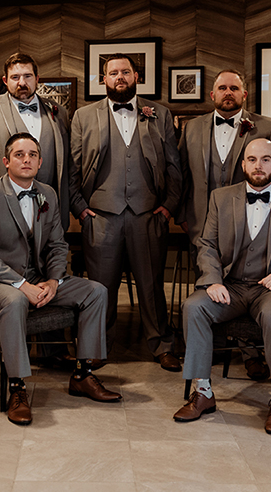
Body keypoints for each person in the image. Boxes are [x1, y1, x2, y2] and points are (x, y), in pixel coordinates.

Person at [0, 133, 120, 425]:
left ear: (39, 162)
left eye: (32, 155)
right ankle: (17, 387)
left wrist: (53, 281)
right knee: (14, 302)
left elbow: (58, 245)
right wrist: (21, 285)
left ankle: (82, 375)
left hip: (39, 278)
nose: (26, 160)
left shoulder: (47, 193)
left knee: (96, 291)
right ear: (6, 161)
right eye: (19, 155)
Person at [172, 139, 271, 434]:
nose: (258, 166)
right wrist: (212, 279)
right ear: (243, 164)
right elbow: (206, 244)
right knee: (193, 306)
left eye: (266, 160)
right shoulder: (221, 198)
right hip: (231, 286)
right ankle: (203, 393)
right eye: (252, 159)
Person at [70, 53, 183, 371]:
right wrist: (80, 208)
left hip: (148, 215)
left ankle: (162, 345)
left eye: (126, 72)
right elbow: (72, 169)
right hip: (100, 217)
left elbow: (174, 166)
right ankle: (96, 347)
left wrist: (168, 207)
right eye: (113, 72)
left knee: (152, 285)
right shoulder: (83, 116)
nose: (120, 77)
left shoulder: (159, 114)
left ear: (136, 77)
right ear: (103, 79)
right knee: (101, 288)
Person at [176, 69, 271, 381]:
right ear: (212, 95)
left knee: (249, 285)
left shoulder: (267, 126)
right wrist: (184, 215)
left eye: (234, 88)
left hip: (253, 225)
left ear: (244, 95)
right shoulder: (192, 127)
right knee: (209, 285)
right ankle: (209, 349)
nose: (228, 93)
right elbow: (182, 175)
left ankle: (251, 354)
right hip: (202, 224)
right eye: (222, 88)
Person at [0, 53, 70, 229]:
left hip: (47, 213)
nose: (22, 83)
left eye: (27, 76)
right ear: (5, 80)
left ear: (37, 79)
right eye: (15, 77)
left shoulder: (59, 112)